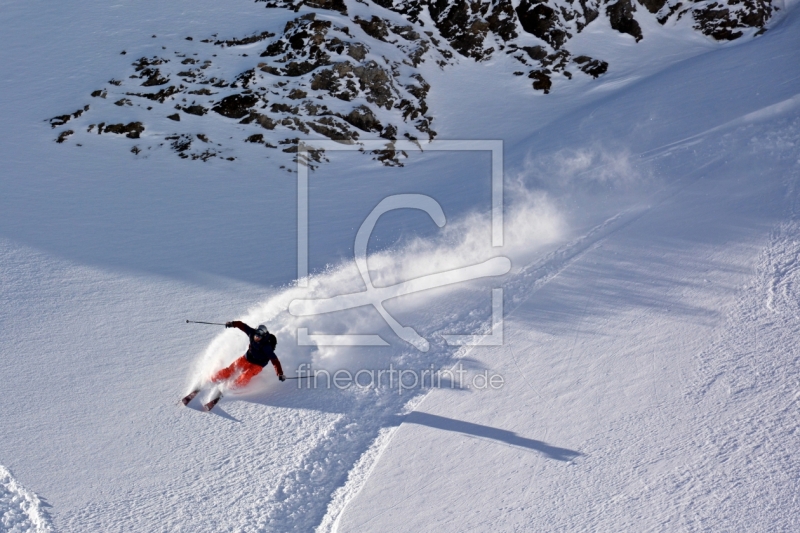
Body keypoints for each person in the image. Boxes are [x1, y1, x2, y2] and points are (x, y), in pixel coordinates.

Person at [210, 321, 285, 388]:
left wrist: (280, 373)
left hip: (258, 364)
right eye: (256, 336)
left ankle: (234, 387)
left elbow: (275, 361)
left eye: (259, 337)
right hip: (247, 358)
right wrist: (232, 324)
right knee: (231, 369)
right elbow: (242, 325)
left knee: (247, 373)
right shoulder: (252, 333)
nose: (257, 338)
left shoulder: (266, 346)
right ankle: (213, 378)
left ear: (263, 337)